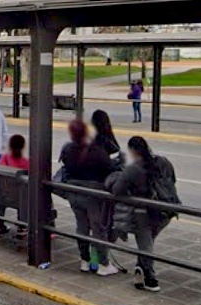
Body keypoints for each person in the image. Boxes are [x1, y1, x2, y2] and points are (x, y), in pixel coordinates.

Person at [108, 137, 177, 292]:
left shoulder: (133, 169)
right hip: (166, 211)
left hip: (145, 213)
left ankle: (149, 277)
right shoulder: (164, 162)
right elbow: (173, 180)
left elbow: (117, 191)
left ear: (132, 151)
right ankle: (140, 270)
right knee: (149, 243)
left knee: (145, 245)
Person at [59, 119, 119, 276]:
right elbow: (110, 168)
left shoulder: (69, 150)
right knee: (98, 228)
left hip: (73, 191)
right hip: (93, 193)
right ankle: (103, 264)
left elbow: (66, 167)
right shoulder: (96, 151)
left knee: (82, 227)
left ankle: (84, 260)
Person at [0, 135, 30, 235]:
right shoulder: (26, 162)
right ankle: (22, 225)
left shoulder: (4, 158)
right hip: (19, 197)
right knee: (24, 195)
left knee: (2, 192)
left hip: (3, 194)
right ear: (23, 146)